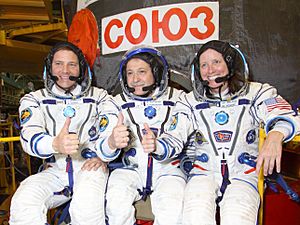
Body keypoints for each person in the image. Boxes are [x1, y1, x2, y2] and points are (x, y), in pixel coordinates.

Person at [144, 40, 300, 225]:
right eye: (204, 65)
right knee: (195, 215)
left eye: (216, 62)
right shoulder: (189, 102)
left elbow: (285, 114)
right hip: (204, 173)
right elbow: (173, 138)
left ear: (230, 63)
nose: (210, 70)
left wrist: (276, 135)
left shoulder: (257, 93)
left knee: (238, 217)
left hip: (244, 174)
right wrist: (156, 145)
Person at [9, 41, 108, 225]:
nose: (65, 70)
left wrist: (103, 155)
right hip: (55, 172)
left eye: (72, 64)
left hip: (90, 167)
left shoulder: (99, 97)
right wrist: (55, 144)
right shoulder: (34, 100)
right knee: (24, 201)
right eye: (58, 64)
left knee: (86, 210)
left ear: (81, 69)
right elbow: (29, 135)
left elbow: (110, 130)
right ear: (49, 67)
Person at [94, 46, 186, 225]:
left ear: (157, 72)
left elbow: (182, 136)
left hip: (168, 169)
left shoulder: (180, 99)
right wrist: (112, 142)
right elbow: (102, 146)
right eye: (130, 73)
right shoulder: (115, 103)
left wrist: (159, 146)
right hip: (130, 169)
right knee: (115, 203)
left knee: (172, 210)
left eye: (142, 72)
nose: (135, 79)